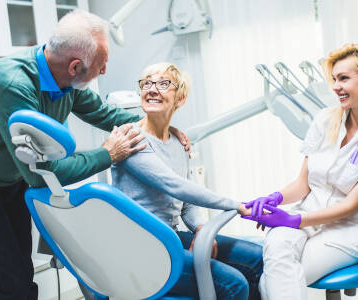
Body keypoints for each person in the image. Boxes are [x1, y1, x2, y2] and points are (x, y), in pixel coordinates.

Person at [0, 10, 189, 300]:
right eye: (101, 64)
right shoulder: (12, 85)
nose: (105, 70)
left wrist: (162, 128)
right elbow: (39, 174)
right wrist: (108, 153)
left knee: (22, 274)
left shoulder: (65, 81)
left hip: (10, 175)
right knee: (14, 285)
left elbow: (103, 112)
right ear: (74, 67)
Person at [242, 43, 358, 300]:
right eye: (334, 79)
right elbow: (303, 183)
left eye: (343, 78)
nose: (335, 87)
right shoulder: (325, 120)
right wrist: (275, 198)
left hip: (348, 229)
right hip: (307, 215)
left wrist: (293, 221)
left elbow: (352, 205)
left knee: (274, 279)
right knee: (276, 252)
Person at [111, 62, 263, 300]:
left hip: (170, 237)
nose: (152, 89)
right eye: (147, 83)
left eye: (163, 84)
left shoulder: (177, 141)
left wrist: (201, 228)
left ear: (180, 99)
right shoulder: (130, 139)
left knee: (258, 259)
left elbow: (186, 205)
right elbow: (175, 186)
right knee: (234, 285)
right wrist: (234, 204)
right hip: (142, 249)